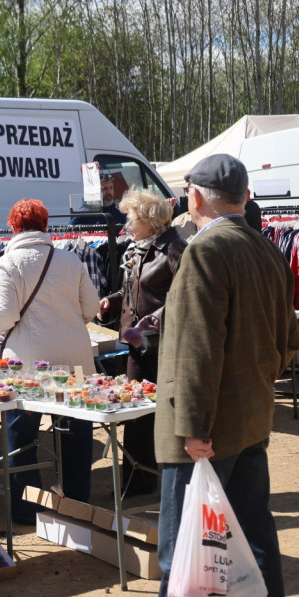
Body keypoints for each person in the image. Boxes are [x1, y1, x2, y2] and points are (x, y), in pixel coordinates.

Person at [154, 154, 299, 597]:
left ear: (193, 197)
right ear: (245, 198)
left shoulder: (206, 251)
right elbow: (288, 345)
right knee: (255, 537)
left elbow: (196, 348)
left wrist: (194, 427)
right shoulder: (267, 250)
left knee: (186, 552)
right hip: (249, 421)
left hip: (206, 433)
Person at [0, 199, 100, 524]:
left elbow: (4, 316)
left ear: (14, 227)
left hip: (29, 364)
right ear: (45, 226)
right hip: (74, 358)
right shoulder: (71, 259)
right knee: (77, 431)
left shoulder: (7, 263)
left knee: (22, 435)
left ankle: (26, 510)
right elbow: (90, 309)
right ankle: (78, 505)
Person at [97, 190, 186, 495]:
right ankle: (139, 484)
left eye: (131, 218)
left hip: (163, 344)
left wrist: (155, 319)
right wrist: (111, 301)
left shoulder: (174, 248)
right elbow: (128, 290)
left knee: (159, 413)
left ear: (149, 220)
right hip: (137, 344)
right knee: (136, 412)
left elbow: (185, 294)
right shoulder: (136, 249)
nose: (126, 224)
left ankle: (158, 484)